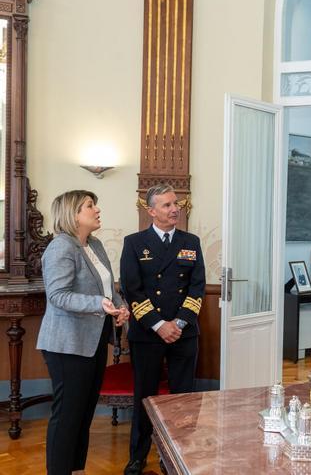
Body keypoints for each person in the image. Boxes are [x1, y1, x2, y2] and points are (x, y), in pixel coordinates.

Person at [36, 190, 129, 475]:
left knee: (84, 412)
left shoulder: (95, 244)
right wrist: (98, 304)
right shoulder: (60, 247)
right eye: (90, 206)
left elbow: (107, 287)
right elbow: (58, 295)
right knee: (67, 416)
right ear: (73, 213)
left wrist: (120, 306)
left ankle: (76, 469)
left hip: (94, 340)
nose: (97, 209)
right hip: (67, 345)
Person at [120, 184, 205, 475]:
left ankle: (179, 452)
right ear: (151, 210)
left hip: (183, 333)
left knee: (183, 398)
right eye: (167, 205)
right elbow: (132, 289)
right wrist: (158, 325)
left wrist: (178, 323)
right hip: (147, 334)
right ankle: (138, 454)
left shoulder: (191, 241)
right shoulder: (134, 243)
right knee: (146, 395)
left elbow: (197, 287)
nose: (174, 209)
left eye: (176, 204)